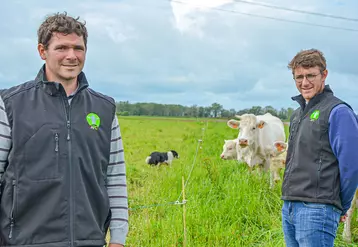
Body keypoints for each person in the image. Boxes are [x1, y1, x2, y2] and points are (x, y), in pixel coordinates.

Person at [0, 12, 128, 247]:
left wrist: (118, 239)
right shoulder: (10, 104)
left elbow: (115, 178)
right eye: (61, 48)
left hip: (89, 240)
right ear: (42, 51)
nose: (72, 56)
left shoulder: (104, 109)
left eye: (78, 48)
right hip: (23, 241)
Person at [281, 48, 358, 246]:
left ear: (324, 74)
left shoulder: (338, 112)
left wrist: (342, 204)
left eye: (310, 75)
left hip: (317, 209)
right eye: (299, 77)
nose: (304, 82)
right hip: (289, 205)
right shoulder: (297, 115)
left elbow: (351, 165)